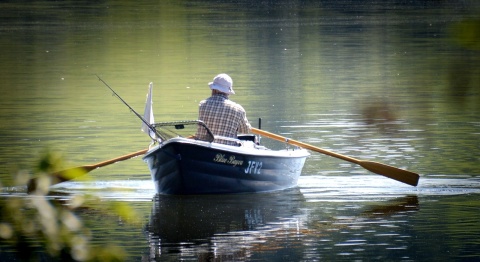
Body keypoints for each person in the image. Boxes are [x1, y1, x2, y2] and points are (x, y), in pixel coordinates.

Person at [196, 73, 251, 145]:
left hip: (203, 147)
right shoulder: (238, 109)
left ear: (213, 89)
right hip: (227, 148)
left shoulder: (202, 104)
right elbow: (245, 130)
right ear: (228, 92)